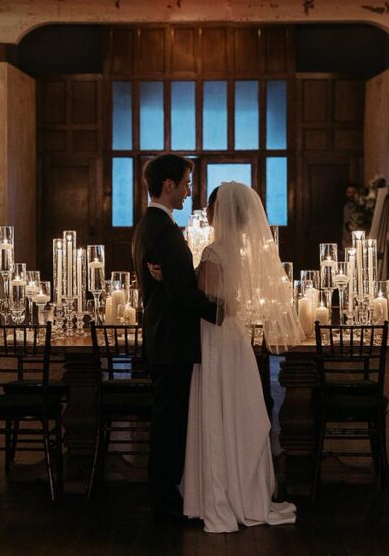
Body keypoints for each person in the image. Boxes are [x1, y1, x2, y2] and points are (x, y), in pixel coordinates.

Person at [149, 182, 301, 533]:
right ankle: (238, 487)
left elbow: (205, 301)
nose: (207, 210)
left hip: (215, 337)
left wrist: (169, 277)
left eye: (210, 205)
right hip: (232, 337)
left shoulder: (216, 252)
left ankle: (217, 496)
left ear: (221, 211)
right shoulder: (240, 251)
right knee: (233, 410)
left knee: (218, 410)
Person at [131, 154, 218, 523]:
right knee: (169, 425)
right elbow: (182, 294)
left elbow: (174, 285)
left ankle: (167, 496)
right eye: (185, 183)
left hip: (164, 337)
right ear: (169, 185)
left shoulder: (149, 225)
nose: (189, 191)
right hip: (171, 341)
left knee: (168, 420)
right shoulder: (163, 229)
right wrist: (223, 312)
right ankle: (165, 503)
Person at [342, 182, 363, 250]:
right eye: (349, 192)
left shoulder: (361, 207)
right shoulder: (345, 207)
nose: (351, 195)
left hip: (358, 240)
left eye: (353, 192)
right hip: (347, 240)